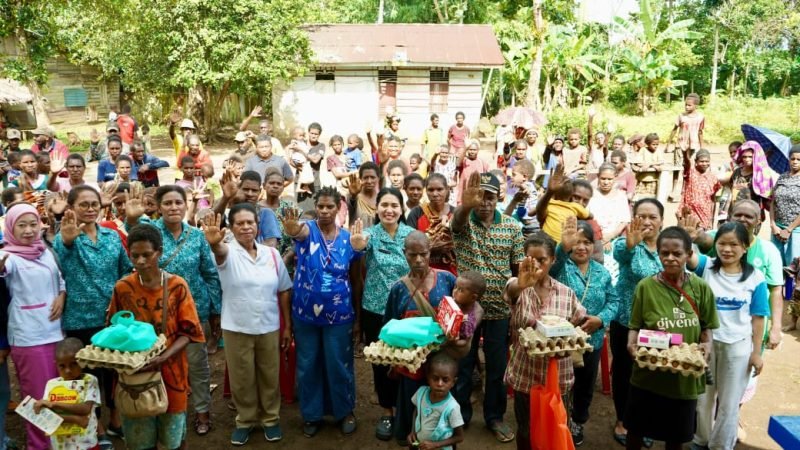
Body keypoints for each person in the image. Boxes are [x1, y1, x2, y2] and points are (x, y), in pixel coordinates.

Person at [125, 185, 222, 436]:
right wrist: (131, 218)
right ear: (158, 206)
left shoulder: (197, 236)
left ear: (185, 203)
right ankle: (163, 412)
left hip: (194, 312)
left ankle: (202, 412)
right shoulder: (149, 232)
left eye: (178, 202)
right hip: (154, 315)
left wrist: (215, 309)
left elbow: (209, 274)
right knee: (159, 364)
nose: (173, 207)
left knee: (197, 365)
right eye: (167, 203)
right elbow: (134, 248)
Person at [107, 224, 205, 450]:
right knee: (140, 440)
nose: (140, 261)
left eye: (147, 255)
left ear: (159, 252)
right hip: (134, 377)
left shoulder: (177, 286)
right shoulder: (122, 288)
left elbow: (189, 332)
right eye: (135, 255)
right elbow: (112, 332)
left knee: (173, 439)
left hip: (172, 374)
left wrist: (163, 357)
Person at [202, 204, 292, 445]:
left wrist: (287, 326)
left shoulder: (271, 254)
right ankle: (245, 420)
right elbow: (219, 250)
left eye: (249, 222)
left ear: (257, 225)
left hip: (269, 325)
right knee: (242, 377)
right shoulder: (226, 252)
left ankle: (270, 419)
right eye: (239, 223)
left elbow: (284, 290)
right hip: (237, 326)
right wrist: (213, 243)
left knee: (269, 374)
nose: (245, 227)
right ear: (231, 228)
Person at [624, 227, 719, 450]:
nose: (670, 258)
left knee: (675, 437)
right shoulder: (645, 287)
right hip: (648, 375)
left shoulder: (701, 288)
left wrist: (706, 344)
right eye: (664, 253)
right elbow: (635, 326)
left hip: (683, 378)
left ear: (688, 254)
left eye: (677, 254)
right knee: (636, 431)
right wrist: (631, 343)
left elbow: (707, 327)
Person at [279, 187, 363, 437]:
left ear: (339, 208)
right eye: (320, 206)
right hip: (305, 315)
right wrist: (292, 228)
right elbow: (298, 230)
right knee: (307, 364)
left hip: (339, 316)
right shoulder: (307, 231)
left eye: (330, 207)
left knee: (339, 364)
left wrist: (357, 318)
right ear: (315, 207)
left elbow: (357, 280)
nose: (325, 211)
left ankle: (344, 411)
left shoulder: (350, 239)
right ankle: (312, 414)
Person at [54, 186, 132, 445]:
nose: (89, 209)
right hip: (80, 319)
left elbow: (125, 270)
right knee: (89, 376)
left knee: (115, 371)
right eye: (83, 204)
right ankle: (97, 426)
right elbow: (61, 261)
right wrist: (67, 240)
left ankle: (116, 421)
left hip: (111, 318)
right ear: (72, 207)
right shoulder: (66, 236)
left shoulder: (111, 236)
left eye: (93, 204)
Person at [451, 172, 524, 443]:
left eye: (489, 197)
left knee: (496, 368)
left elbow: (517, 270)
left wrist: (517, 301)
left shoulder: (513, 227)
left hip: (499, 309)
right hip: (466, 308)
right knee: (463, 363)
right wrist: (465, 206)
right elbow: (457, 221)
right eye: (480, 197)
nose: (484, 203)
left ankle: (494, 417)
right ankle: (459, 416)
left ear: (497, 198)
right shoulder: (463, 223)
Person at [686, 222, 768, 450]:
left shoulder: (756, 278)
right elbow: (689, 256)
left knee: (730, 404)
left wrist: (756, 353)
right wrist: (690, 237)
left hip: (738, 347)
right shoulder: (707, 267)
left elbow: (758, 317)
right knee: (703, 399)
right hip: (707, 345)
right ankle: (700, 440)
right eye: (722, 243)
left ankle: (721, 445)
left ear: (745, 247)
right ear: (715, 245)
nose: (727, 249)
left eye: (734, 244)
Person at [504, 232, 586, 450]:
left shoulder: (566, 293)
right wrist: (521, 285)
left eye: (542, 259)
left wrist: (572, 340)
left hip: (558, 374)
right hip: (526, 373)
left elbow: (578, 323)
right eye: (531, 259)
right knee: (526, 428)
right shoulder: (518, 286)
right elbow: (511, 293)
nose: (537, 265)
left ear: (553, 260)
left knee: (557, 424)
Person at [349, 187, 414, 440]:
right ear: (376, 209)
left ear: (401, 209)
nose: (389, 210)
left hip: (407, 307)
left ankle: (407, 410)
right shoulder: (370, 235)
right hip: (375, 309)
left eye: (394, 205)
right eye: (384, 205)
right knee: (382, 361)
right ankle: (388, 411)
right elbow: (358, 248)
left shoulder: (411, 235)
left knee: (408, 359)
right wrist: (357, 248)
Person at [382, 231, 458, 444]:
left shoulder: (447, 279)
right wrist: (394, 361)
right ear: (404, 253)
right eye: (412, 255)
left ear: (429, 252)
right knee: (412, 402)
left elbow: (468, 309)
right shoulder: (398, 289)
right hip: (411, 365)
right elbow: (390, 327)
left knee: (440, 404)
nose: (418, 260)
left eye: (423, 254)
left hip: (442, 360)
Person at [1, 203, 64, 450]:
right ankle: (39, 445)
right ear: (10, 228)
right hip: (29, 338)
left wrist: (62, 295)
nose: (28, 231)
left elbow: (59, 280)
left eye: (33, 224)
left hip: (56, 332)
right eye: (22, 225)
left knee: (57, 393)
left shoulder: (44, 251)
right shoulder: (10, 256)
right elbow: (3, 268)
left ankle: (59, 442)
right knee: (38, 397)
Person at [553, 217, 619, 446]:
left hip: (593, 339)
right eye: (577, 242)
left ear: (594, 245)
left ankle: (578, 421)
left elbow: (614, 300)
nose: (581, 247)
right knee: (560, 383)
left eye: (587, 242)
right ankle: (558, 420)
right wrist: (563, 245)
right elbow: (554, 262)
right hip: (561, 341)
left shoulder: (602, 272)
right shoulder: (560, 267)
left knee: (584, 385)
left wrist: (600, 320)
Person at [610, 198, 664, 446]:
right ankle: (624, 420)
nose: (647, 221)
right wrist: (632, 246)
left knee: (654, 371)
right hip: (626, 320)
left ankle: (648, 422)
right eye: (642, 216)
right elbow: (620, 252)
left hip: (659, 324)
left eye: (652, 216)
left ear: (662, 220)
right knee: (624, 373)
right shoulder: (626, 243)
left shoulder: (669, 246)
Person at [35, 338, 101, 450]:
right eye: (62, 366)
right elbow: (48, 416)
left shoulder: (90, 380)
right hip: (61, 445)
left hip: (86, 444)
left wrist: (55, 404)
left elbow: (85, 409)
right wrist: (75, 419)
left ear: (82, 361)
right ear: (56, 365)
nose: (68, 370)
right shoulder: (52, 385)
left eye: (73, 364)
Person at [407, 352, 465, 450]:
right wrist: (412, 432)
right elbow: (417, 412)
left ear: (453, 382)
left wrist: (435, 445)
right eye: (435, 378)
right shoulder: (421, 393)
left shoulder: (452, 407)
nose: (439, 384)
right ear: (428, 378)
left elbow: (460, 437)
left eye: (445, 380)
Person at [407, 173, 457, 274]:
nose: (435, 194)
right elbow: (409, 246)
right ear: (426, 191)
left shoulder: (455, 214)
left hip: (452, 272)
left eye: (439, 189)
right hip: (423, 274)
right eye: (430, 190)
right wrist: (432, 247)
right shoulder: (416, 213)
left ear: (447, 189)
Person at [666, 93, 705, 201]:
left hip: (693, 145)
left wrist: (702, 148)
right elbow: (674, 129)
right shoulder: (681, 116)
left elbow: (700, 132)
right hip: (680, 145)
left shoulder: (701, 117)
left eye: (689, 105)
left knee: (689, 168)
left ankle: (685, 190)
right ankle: (673, 190)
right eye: (686, 105)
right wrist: (668, 144)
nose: (687, 107)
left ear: (696, 106)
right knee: (677, 167)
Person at [723, 141, 774, 220]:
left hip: (752, 213)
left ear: (755, 157)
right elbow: (730, 188)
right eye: (744, 157)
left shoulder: (761, 175)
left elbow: (766, 195)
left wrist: (749, 186)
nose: (747, 159)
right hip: (736, 211)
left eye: (750, 157)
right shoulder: (737, 172)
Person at [770, 144, 800, 266]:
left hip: (796, 230)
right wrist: (772, 224)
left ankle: (791, 286)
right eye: (792, 159)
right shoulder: (782, 177)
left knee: (794, 266)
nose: (795, 162)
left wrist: (789, 229)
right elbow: (773, 201)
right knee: (775, 264)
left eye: (799, 159)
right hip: (777, 229)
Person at [588, 163, 631, 248]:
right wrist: (600, 237)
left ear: (616, 177)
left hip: (615, 240)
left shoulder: (621, 196)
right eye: (603, 179)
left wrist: (611, 235)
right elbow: (587, 217)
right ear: (598, 176)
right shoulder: (591, 195)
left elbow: (625, 220)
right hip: (594, 239)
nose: (606, 182)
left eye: (610, 179)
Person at [678, 149, 721, 230]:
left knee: (702, 236)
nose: (704, 164)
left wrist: (711, 218)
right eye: (701, 161)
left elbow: (713, 198)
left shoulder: (713, 177)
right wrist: (685, 154)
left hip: (705, 214)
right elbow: (687, 164)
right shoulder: (690, 173)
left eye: (707, 161)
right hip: (690, 212)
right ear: (696, 161)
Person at [346, 162, 380, 227]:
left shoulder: (382, 198)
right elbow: (351, 202)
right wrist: (353, 195)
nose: (369, 181)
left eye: (372, 177)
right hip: (357, 236)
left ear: (378, 178)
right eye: (366, 178)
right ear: (361, 179)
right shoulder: (355, 196)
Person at [456, 139, 488, 205]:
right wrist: (465, 148)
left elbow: (486, 177)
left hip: (477, 195)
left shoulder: (481, 162)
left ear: (478, 151)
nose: (472, 152)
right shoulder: (464, 161)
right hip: (464, 194)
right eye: (470, 149)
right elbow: (458, 163)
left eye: (474, 150)